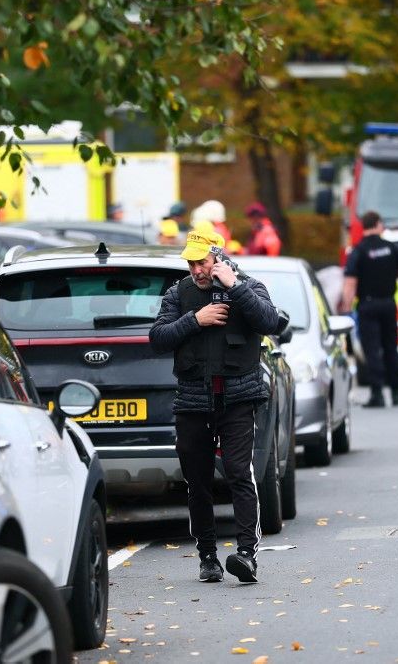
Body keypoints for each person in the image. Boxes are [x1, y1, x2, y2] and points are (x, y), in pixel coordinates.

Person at [149, 228, 282, 584]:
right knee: (198, 481)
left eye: (202, 262)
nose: (196, 270)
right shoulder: (178, 294)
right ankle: (207, 557)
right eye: (191, 264)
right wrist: (196, 319)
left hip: (238, 398)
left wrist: (235, 287)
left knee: (239, 473)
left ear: (219, 258)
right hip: (193, 400)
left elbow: (269, 322)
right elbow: (157, 338)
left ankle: (246, 555)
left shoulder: (249, 287)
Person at [339, 211, 398, 407]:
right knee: (391, 348)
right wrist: (391, 272)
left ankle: (377, 394)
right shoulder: (392, 248)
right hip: (388, 304)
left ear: (364, 226)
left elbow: (350, 283)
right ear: (379, 224)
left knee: (372, 350)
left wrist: (346, 307)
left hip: (368, 305)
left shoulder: (358, 251)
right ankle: (396, 393)